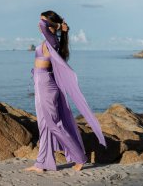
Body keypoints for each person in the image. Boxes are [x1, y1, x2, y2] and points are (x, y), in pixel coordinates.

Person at [24, 10, 107, 173]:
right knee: (44, 126)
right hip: (40, 83)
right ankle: (43, 163)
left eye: (43, 20)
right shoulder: (49, 40)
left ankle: (80, 158)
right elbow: (42, 26)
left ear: (49, 23)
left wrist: (57, 24)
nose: (39, 23)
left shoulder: (53, 39)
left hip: (45, 85)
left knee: (54, 125)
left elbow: (42, 26)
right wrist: (55, 24)